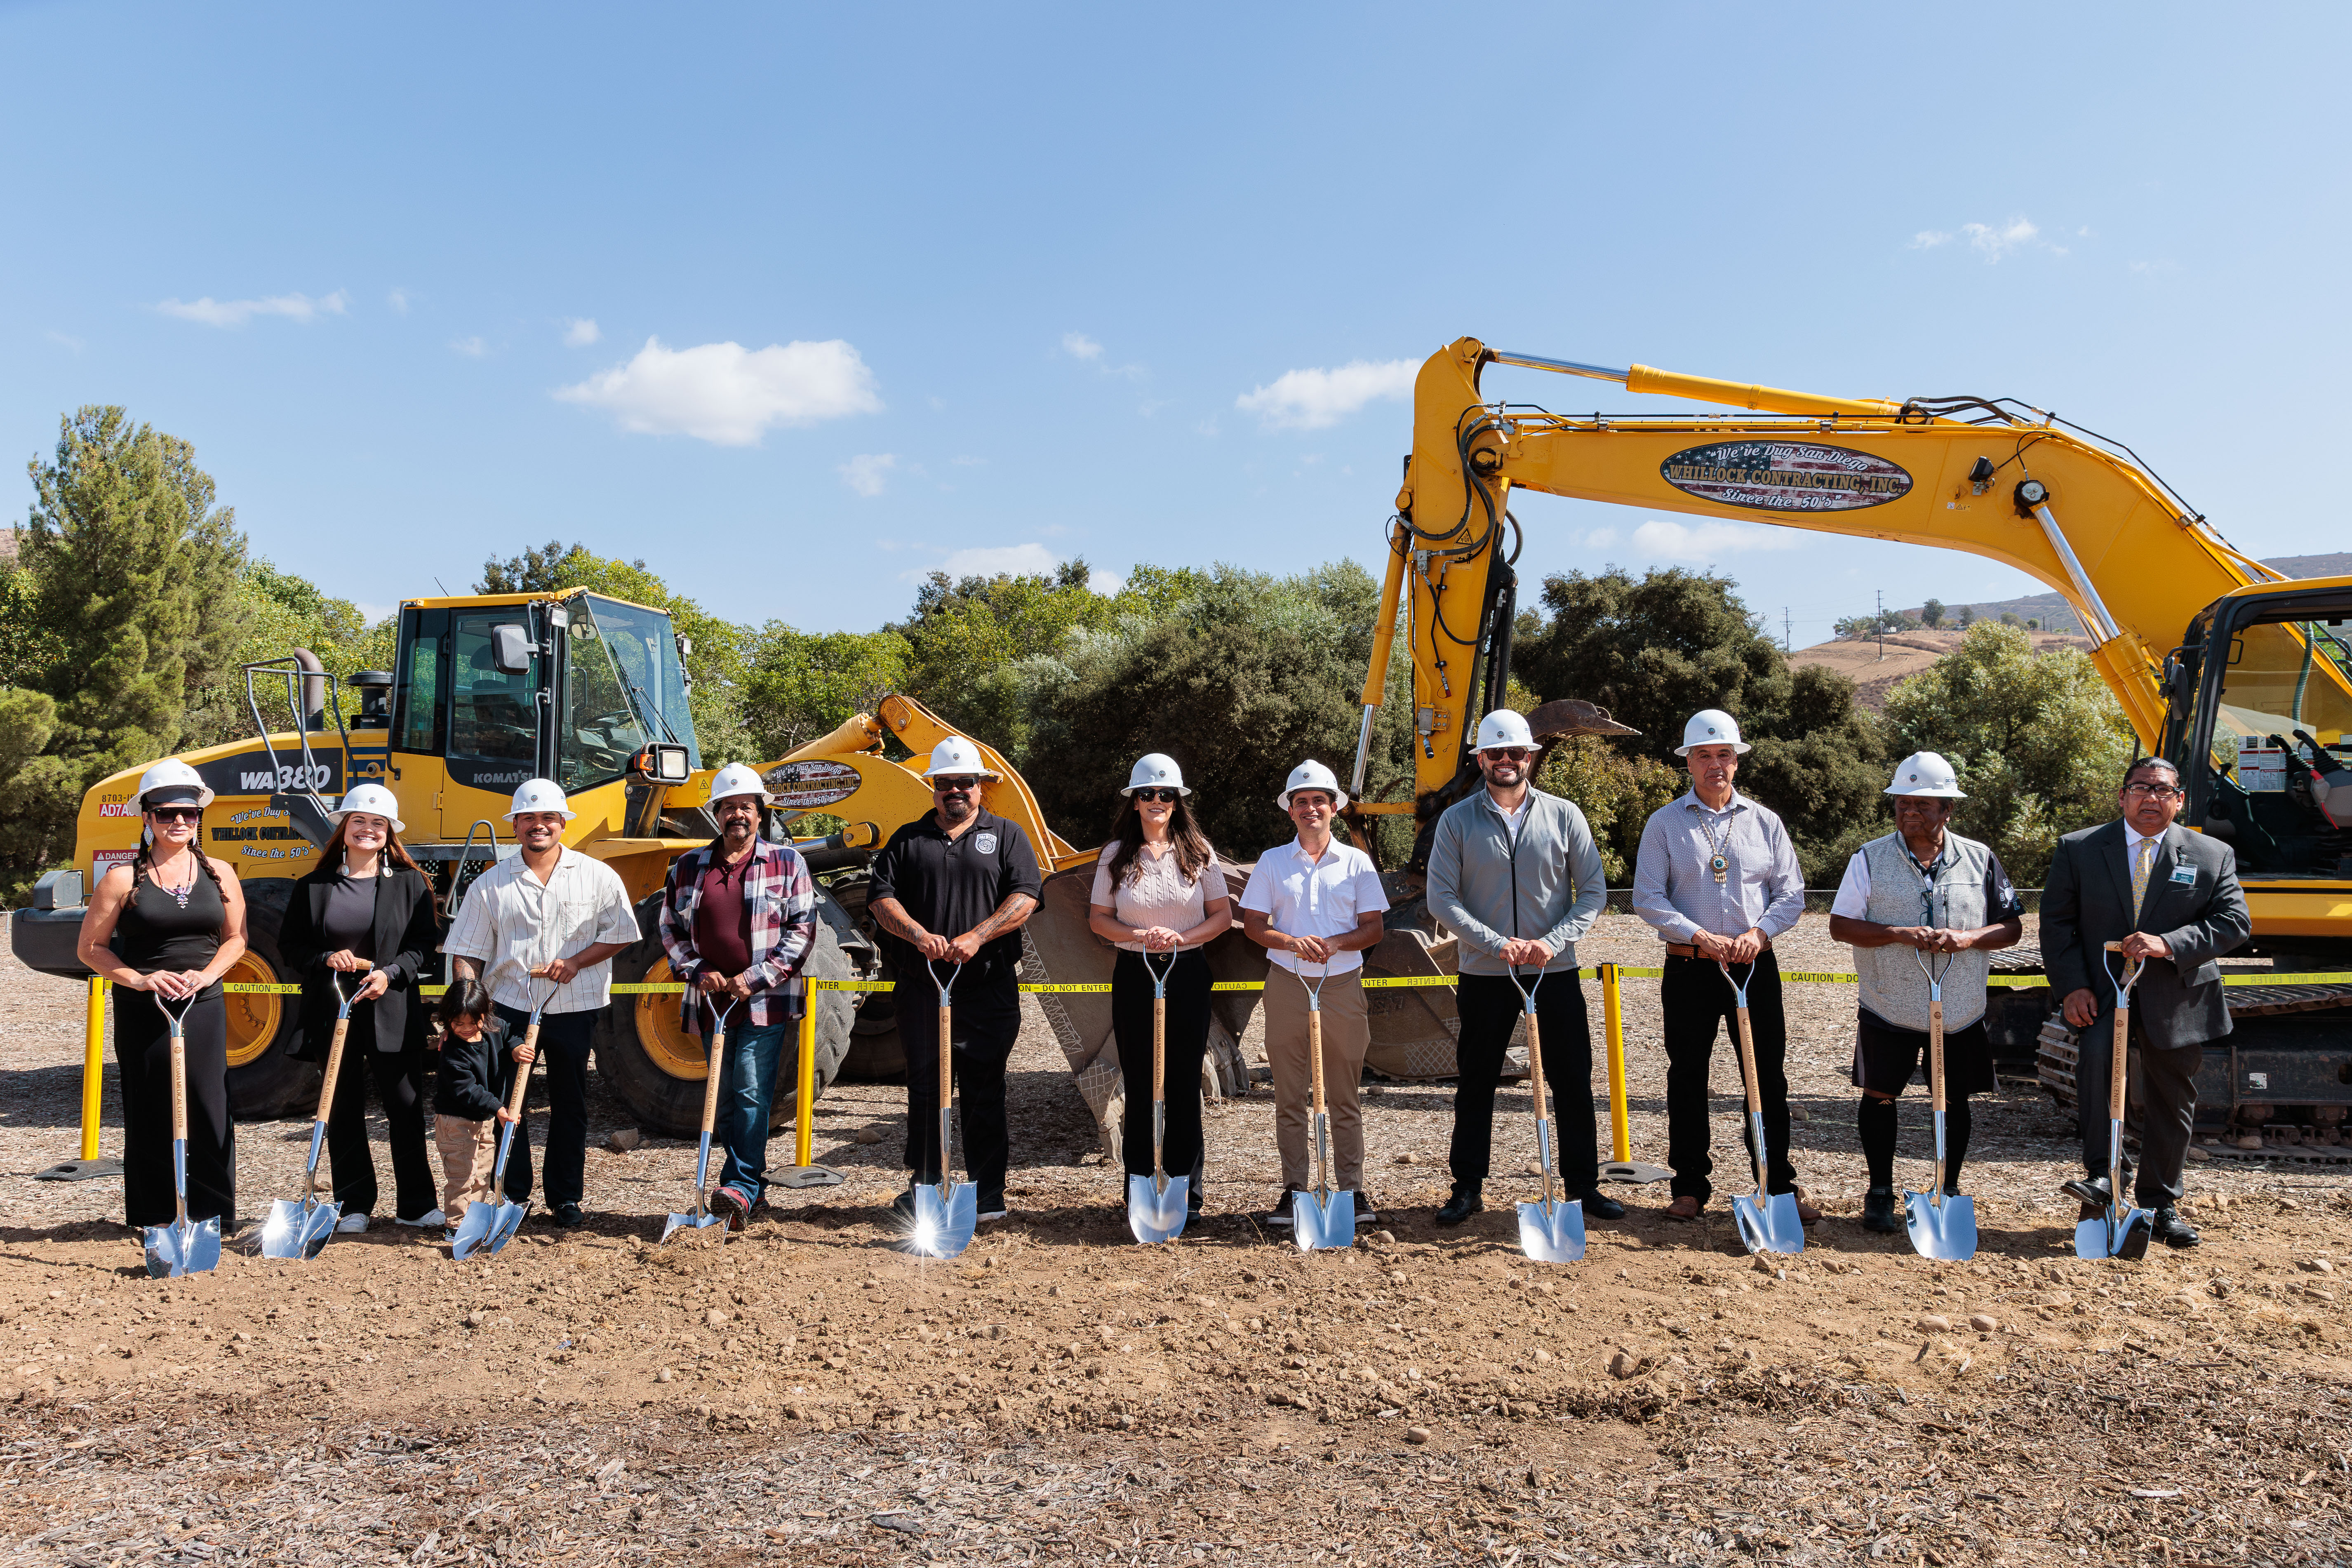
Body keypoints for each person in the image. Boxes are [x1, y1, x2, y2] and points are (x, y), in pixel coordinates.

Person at [2043, 757, 2250, 1248]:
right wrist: (2071, 985)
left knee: (2171, 1099)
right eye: (2140, 788)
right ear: (2122, 796)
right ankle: (2102, 1175)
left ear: (2180, 800)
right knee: (2096, 1074)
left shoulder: (2211, 853)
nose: (2150, 798)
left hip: (2175, 996)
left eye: (2163, 790)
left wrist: (2168, 943)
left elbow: (2233, 921)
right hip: (2099, 993)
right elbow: (2055, 923)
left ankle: (2159, 1203)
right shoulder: (2080, 848)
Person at [1426, 710, 1619, 1227]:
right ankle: (1467, 1186)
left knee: (1572, 1080)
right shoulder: (1456, 820)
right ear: (1480, 760)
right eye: (1496, 753)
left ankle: (1583, 1186)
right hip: (1486, 974)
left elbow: (1593, 892)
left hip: (1553, 971)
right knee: (1476, 1080)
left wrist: (1551, 942)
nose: (1506, 761)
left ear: (1530, 757)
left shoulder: (1564, 815)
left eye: (1516, 752)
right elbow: (1441, 898)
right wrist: (1496, 944)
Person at [1827, 752, 2025, 1233]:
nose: (1908, 811)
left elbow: (2012, 925)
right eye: (1901, 803)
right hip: (1889, 1002)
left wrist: (1969, 937)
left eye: (1921, 804)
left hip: (1958, 1008)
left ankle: (1948, 1186)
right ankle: (1879, 1192)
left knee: (1952, 1099)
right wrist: (1896, 932)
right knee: (1879, 1095)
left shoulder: (1980, 858)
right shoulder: (1869, 857)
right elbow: (1839, 925)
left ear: (1947, 810)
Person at [1630, 710, 1812, 1224]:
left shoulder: (1765, 821)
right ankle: (1689, 1185)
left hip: (1755, 967)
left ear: (1737, 761)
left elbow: (1791, 893)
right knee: (1687, 1076)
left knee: (1767, 1077)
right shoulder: (1664, 823)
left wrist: (1758, 933)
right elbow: (1647, 897)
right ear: (1688, 762)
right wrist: (1699, 936)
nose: (1715, 764)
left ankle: (1777, 1182)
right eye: (1704, 755)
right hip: (1690, 967)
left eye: (1724, 755)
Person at [442, 778, 640, 1229]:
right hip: (509, 1007)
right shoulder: (490, 885)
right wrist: (466, 1008)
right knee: (510, 1102)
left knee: (570, 1103)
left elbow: (621, 932)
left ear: (562, 823)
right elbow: (467, 950)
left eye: (548, 817)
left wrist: (575, 961)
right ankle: (514, 1194)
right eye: (528, 817)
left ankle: (565, 1198)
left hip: (574, 1004)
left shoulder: (597, 875)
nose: (539, 825)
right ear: (515, 824)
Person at [867, 735, 1043, 1225]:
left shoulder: (1007, 835)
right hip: (922, 988)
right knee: (926, 1089)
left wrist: (978, 936)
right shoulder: (907, 840)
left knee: (985, 1089)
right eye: (945, 784)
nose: (955, 791)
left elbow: (1027, 895)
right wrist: (919, 935)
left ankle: (987, 1194)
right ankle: (926, 1184)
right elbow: (881, 900)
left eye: (964, 782)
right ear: (934, 789)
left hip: (986, 987)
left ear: (980, 787)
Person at [74, 760, 250, 1236]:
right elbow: (90, 948)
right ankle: (155, 1216)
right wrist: (140, 979)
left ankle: (213, 1214)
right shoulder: (121, 878)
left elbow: (236, 939)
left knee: (210, 1105)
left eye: (190, 814)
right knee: (151, 1105)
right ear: (147, 817)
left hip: (204, 1004)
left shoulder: (220, 873)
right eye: (168, 813)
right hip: (144, 1008)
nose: (180, 823)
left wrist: (207, 974)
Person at [276, 782, 446, 1233]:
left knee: (405, 1106)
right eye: (359, 821)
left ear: (390, 832)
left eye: (378, 823)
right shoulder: (313, 886)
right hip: (333, 1009)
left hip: (391, 1006)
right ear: (344, 828)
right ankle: (353, 1204)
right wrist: (325, 958)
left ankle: (416, 1203)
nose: (368, 829)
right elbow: (290, 946)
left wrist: (390, 974)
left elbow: (423, 946)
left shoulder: (411, 883)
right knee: (343, 1106)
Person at [656, 762, 818, 1229]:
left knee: (750, 1090)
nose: (737, 815)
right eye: (728, 807)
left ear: (760, 812)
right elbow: (669, 928)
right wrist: (698, 969)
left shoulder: (788, 862)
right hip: (711, 1001)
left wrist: (755, 978)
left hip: (763, 999)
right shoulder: (688, 867)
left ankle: (741, 1185)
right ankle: (749, 1188)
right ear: (717, 814)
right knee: (722, 1096)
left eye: (745, 806)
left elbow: (802, 930)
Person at [1237, 759, 1390, 1229]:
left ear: (1333, 807)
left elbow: (1374, 928)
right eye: (1301, 801)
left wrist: (1335, 944)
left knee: (1344, 1093)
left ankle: (1352, 1190)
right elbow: (1253, 925)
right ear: (1290, 810)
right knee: (1289, 1094)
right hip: (1286, 982)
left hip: (1341, 984)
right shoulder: (1271, 861)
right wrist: (1291, 942)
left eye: (1319, 800)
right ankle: (1293, 1190)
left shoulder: (1357, 862)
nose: (1310, 808)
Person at [1087, 753, 1233, 1220]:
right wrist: (1138, 936)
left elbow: (1222, 918)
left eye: (1165, 794)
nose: (1156, 801)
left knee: (1184, 1082)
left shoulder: (1198, 850)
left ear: (1177, 801)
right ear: (1133, 801)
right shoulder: (1115, 854)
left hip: (1186, 970)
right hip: (1135, 972)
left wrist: (1180, 938)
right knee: (1141, 1080)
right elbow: (1099, 919)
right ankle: (1140, 1187)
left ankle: (1186, 1191)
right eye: (1147, 793)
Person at [429, 976, 535, 1232]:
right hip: (456, 1121)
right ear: (446, 1021)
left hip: (485, 1120)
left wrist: (516, 1048)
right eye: (458, 1023)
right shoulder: (453, 1052)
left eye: (473, 1022)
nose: (466, 1028)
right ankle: (455, 1226)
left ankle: (472, 1221)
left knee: (483, 1175)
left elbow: (510, 1033)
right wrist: (499, 1109)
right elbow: (467, 1089)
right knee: (462, 1176)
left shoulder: (494, 1027)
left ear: (485, 1015)